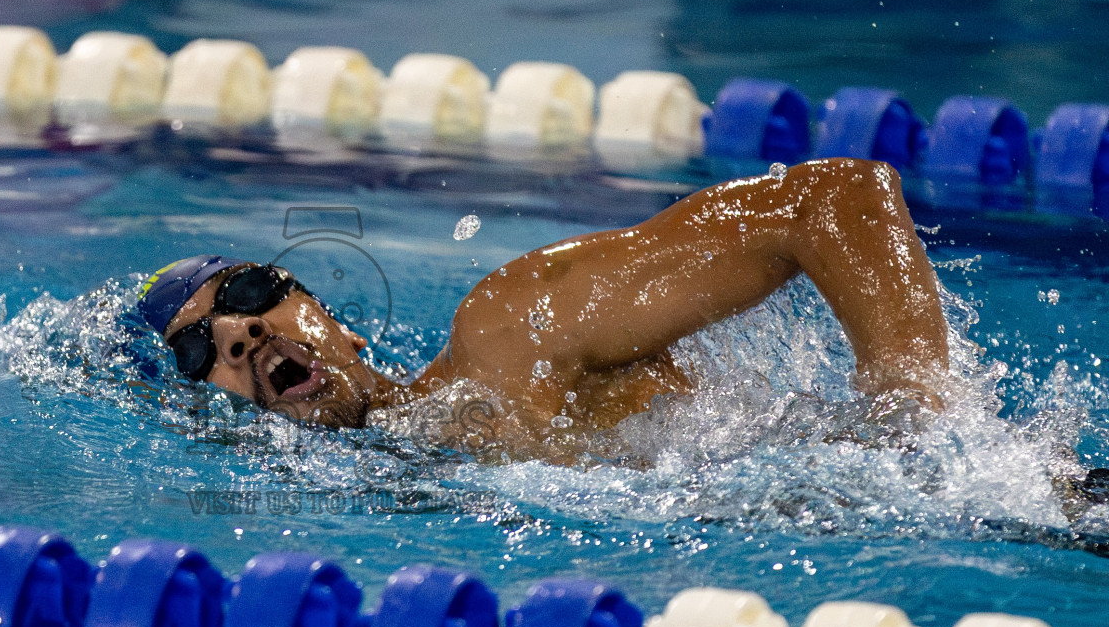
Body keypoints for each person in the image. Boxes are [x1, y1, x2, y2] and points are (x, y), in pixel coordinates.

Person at [140, 158, 952, 462]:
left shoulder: (508, 332)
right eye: (196, 353)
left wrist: (915, 417)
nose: (239, 332)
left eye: (251, 297)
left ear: (337, 325)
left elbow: (831, 199)